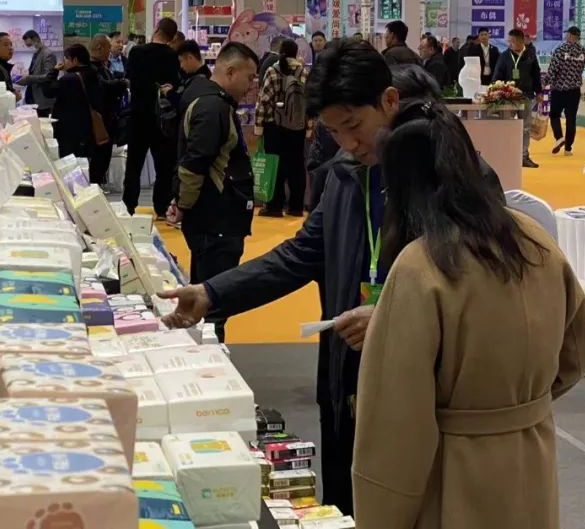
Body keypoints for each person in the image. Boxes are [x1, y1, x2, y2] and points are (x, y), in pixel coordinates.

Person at [158, 40, 503, 516]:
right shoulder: (344, 174)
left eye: (354, 126)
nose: (348, 143)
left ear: (388, 101)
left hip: (424, 389)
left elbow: (484, 288)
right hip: (348, 377)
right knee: (347, 499)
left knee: (413, 506)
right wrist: (212, 293)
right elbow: (301, 254)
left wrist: (392, 316)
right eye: (334, 131)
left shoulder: (455, 176)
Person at [351, 110, 585, 528]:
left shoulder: (420, 268)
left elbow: (396, 424)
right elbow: (576, 355)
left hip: (453, 472)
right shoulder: (535, 241)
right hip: (532, 458)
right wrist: (517, 407)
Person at [167, 42, 259, 343]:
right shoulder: (212, 107)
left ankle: (205, 348)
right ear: (230, 71)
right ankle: (211, 351)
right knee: (214, 301)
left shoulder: (208, 99)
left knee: (208, 294)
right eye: (249, 77)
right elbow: (195, 163)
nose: (251, 86)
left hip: (215, 217)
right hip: (216, 219)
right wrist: (183, 204)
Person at [123, 17, 181, 217]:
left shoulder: (137, 52)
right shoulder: (172, 56)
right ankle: (162, 206)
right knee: (164, 166)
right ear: (173, 37)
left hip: (138, 115)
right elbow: (175, 84)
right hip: (163, 118)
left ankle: (129, 205)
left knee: (134, 164)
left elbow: (130, 79)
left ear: (156, 29)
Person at [255, 38, 309, 219]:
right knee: (297, 166)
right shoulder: (303, 72)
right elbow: (309, 103)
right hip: (297, 127)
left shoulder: (273, 70)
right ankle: (296, 207)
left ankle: (274, 207)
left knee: (275, 165)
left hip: (274, 126)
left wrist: (259, 126)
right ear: (296, 53)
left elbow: (264, 100)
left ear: (280, 52)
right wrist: (308, 127)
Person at [42, 43, 105, 161]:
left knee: (72, 164)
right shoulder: (93, 74)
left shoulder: (70, 79)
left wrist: (54, 71)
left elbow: (48, 91)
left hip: (70, 132)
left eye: (66, 59)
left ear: (75, 60)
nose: (64, 62)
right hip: (87, 130)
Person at [493, 28, 542, 168]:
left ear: (521, 41)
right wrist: (496, 90)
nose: (510, 44)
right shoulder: (504, 56)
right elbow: (497, 75)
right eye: (509, 41)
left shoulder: (530, 55)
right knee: (506, 125)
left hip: (526, 95)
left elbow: (536, 75)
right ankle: (505, 154)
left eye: (513, 41)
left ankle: (523, 156)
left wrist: (539, 92)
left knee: (525, 127)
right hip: (508, 97)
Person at [88, 34, 128, 185]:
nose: (109, 51)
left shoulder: (102, 67)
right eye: (108, 47)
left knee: (104, 158)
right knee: (99, 160)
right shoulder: (91, 69)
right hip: (100, 122)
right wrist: (123, 84)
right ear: (99, 47)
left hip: (108, 121)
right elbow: (105, 88)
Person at [546, 26, 585, 156]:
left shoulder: (560, 50)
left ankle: (559, 138)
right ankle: (568, 148)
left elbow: (553, 70)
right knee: (571, 118)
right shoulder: (583, 52)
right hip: (574, 90)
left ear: (570, 35)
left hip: (559, 89)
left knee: (554, 115)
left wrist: (545, 82)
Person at [18, 30, 58, 116]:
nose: (30, 47)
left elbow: (49, 76)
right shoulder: (36, 53)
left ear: (36, 39)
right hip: (34, 96)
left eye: (30, 45)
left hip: (43, 97)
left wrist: (28, 78)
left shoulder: (48, 54)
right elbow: (34, 72)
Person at [173, 39, 213, 115]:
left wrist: (170, 94)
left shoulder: (201, 80)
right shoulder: (200, 75)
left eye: (181, 61)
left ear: (190, 58)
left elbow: (184, 103)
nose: (181, 66)